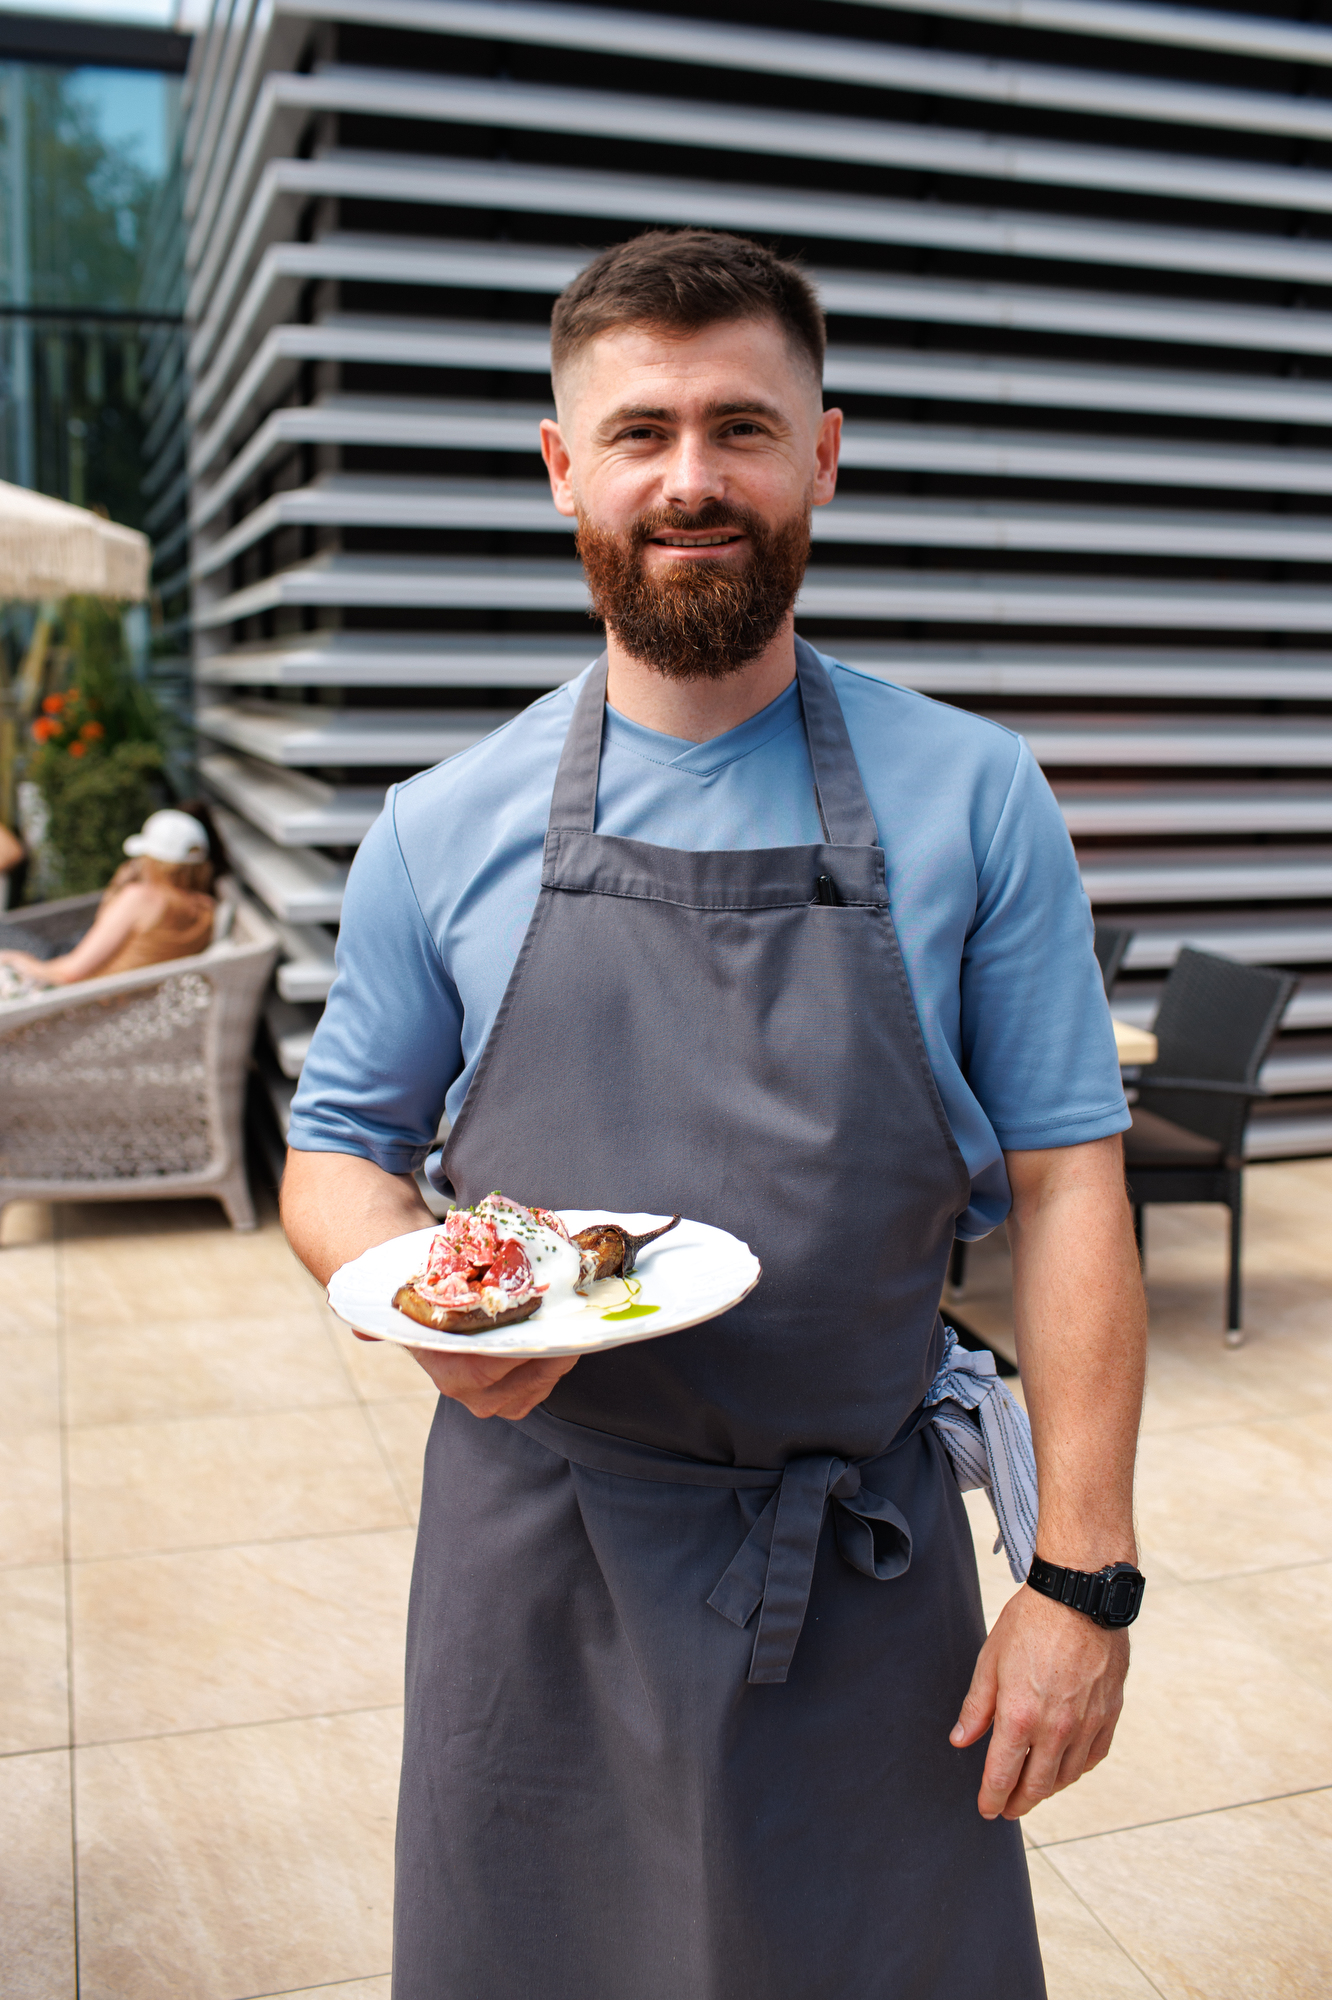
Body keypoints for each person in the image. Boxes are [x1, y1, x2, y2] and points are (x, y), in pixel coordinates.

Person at [281, 229, 1147, 1999]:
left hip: (862, 1577)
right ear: (562, 469)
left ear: (820, 455)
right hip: (540, 1575)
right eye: (640, 432)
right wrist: (428, 1304)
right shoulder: (437, 825)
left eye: (742, 428)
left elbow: (1070, 1185)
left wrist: (1081, 1579)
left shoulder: (976, 795)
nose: (692, 479)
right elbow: (336, 1153)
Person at [0, 808, 216, 994]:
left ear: (152, 861)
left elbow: (68, 973)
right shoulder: (206, 909)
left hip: (81, 998)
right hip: (117, 999)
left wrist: (19, 960)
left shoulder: (142, 898)